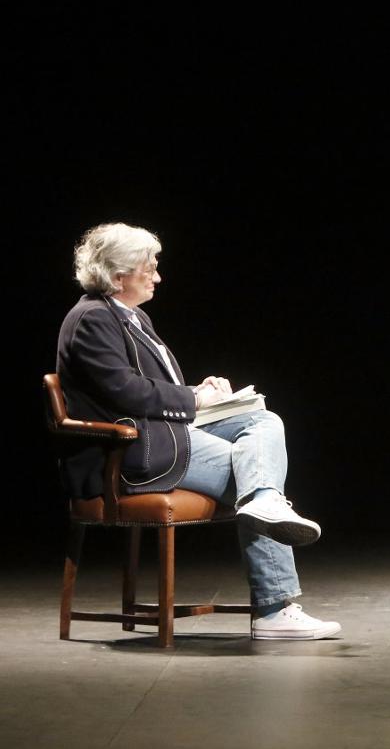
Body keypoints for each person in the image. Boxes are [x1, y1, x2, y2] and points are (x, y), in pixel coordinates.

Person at [56, 223, 340, 640]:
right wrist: (194, 401)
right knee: (253, 472)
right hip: (128, 454)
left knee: (263, 421)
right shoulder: (92, 320)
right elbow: (125, 392)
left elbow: (147, 388)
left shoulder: (130, 317)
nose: (157, 276)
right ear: (118, 276)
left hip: (160, 435)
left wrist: (198, 392)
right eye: (147, 268)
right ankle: (274, 607)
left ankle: (264, 503)